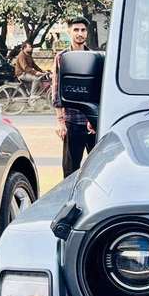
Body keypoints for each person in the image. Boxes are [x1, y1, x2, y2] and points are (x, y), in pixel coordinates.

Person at [52, 17, 96, 177]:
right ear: (69, 32)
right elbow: (56, 90)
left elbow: (98, 89)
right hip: (72, 121)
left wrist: (96, 118)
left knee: (98, 168)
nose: (80, 33)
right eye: (76, 30)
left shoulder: (94, 57)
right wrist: (60, 122)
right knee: (70, 170)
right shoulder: (62, 58)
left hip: (93, 121)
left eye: (83, 30)